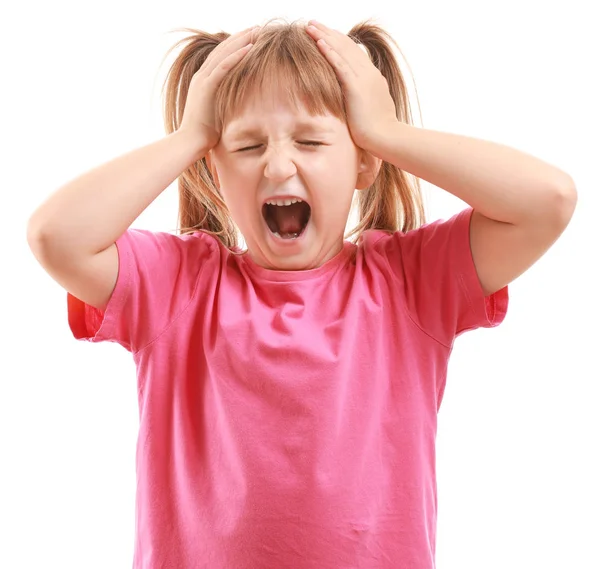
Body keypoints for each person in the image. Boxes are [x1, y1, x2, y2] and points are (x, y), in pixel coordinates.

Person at [26, 18, 577, 569]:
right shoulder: (178, 286)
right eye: (246, 144)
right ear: (214, 170)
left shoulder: (410, 282)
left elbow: (547, 200)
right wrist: (192, 136)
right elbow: (57, 237)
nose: (278, 164)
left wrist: (385, 132)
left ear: (363, 159)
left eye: (311, 140)